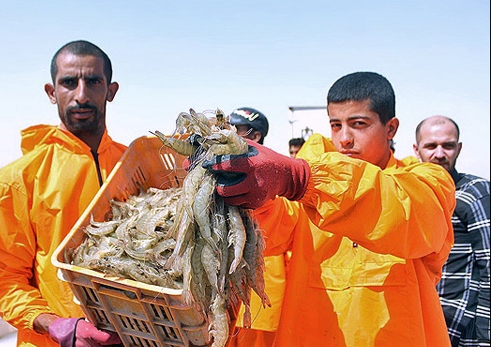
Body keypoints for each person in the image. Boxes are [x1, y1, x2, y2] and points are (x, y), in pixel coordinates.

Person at [202, 71, 457, 346]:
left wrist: (302, 180)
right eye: (336, 125)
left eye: (358, 124)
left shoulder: (428, 181)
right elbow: (274, 232)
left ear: (391, 128)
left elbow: (405, 214)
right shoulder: (312, 184)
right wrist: (248, 199)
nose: (344, 138)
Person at [0, 40, 127, 346]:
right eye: (69, 83)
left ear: (111, 91)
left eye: (93, 81)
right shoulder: (17, 180)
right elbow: (5, 280)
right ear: (52, 92)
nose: (81, 95)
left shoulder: (135, 166)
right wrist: (56, 325)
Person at [413, 115, 490, 346]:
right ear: (417, 150)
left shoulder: (474, 193)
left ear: (459, 148)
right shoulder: (411, 195)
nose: (439, 154)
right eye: (431, 146)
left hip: (464, 331)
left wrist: (485, 336)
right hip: (424, 325)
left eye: (447, 146)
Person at [225, 107, 288, 347]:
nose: (229, 134)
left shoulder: (270, 174)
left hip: (263, 289)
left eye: (236, 130)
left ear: (255, 136)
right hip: (232, 292)